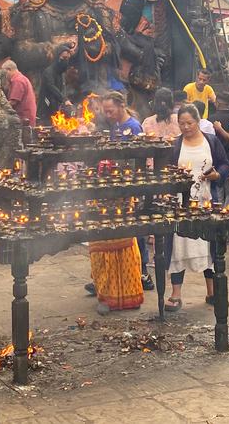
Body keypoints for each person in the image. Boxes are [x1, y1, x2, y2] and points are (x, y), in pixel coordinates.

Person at [165, 105, 229, 311]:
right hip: (182, 204)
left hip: (205, 200)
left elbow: (225, 164)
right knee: (178, 246)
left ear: (198, 121)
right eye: (181, 124)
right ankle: (176, 293)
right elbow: (168, 169)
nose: (185, 127)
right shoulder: (176, 145)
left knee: (207, 247)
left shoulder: (211, 141)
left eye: (189, 123)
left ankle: (211, 291)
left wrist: (217, 175)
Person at [90, 91, 147, 311]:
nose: (107, 114)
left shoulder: (134, 127)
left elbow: (137, 161)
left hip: (125, 193)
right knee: (102, 240)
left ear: (122, 106)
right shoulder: (114, 127)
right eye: (105, 111)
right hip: (110, 192)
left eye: (110, 110)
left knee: (121, 241)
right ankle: (102, 283)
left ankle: (123, 291)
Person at [1, 59, 36, 126]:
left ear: (9, 70)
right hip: (28, 117)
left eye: (4, 73)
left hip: (23, 119)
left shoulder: (17, 81)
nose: (4, 76)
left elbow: (13, 102)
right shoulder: (22, 78)